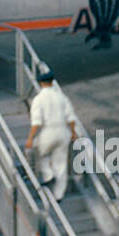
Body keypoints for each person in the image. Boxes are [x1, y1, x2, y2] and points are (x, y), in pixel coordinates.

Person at [25, 66, 77, 200]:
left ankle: (48, 175)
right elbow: (71, 117)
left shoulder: (38, 99)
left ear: (41, 83)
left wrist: (30, 138)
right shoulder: (61, 98)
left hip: (48, 131)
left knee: (41, 154)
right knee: (61, 164)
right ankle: (58, 195)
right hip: (63, 131)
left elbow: (36, 122)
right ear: (52, 82)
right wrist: (73, 133)